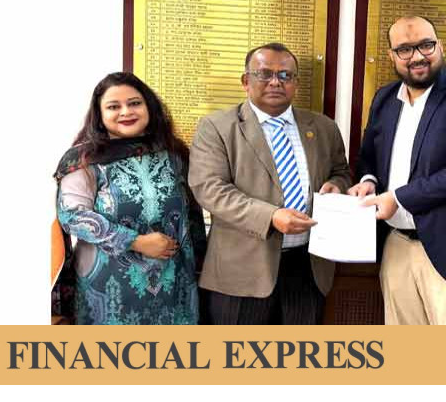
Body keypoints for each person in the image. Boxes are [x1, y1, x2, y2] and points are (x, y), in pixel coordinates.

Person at [349, 15, 446, 325]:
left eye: (426, 45)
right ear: (392, 55)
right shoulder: (385, 98)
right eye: (405, 49)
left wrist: (398, 197)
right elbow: (369, 156)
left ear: (440, 46)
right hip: (397, 245)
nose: (417, 56)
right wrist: (368, 180)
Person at [189, 43, 352, 324]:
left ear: (295, 83)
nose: (276, 82)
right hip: (242, 271)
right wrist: (271, 216)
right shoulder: (216, 127)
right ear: (246, 81)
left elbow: (341, 172)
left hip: (307, 268)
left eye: (285, 75)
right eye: (264, 74)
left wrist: (337, 186)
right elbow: (210, 189)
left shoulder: (324, 127)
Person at [54, 72, 204, 325]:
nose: (126, 112)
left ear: (149, 107)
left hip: (175, 282)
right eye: (114, 106)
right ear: (100, 115)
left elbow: (192, 213)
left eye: (134, 103)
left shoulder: (173, 152)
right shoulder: (84, 159)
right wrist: (135, 241)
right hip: (109, 286)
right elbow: (72, 216)